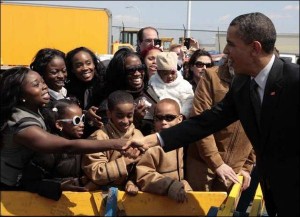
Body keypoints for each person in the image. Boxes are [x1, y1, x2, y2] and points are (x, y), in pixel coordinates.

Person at [128, 12, 299, 216]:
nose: (226, 51)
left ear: (255, 48)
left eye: (231, 44)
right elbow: (206, 122)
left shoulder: (294, 82)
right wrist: (154, 140)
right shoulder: (243, 85)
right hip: (277, 195)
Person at [0, 67, 134, 199]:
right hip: (9, 189)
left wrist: (86, 115)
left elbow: (63, 112)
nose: (44, 86)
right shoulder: (22, 125)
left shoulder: (36, 108)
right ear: (21, 95)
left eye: (42, 81)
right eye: (36, 84)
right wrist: (115, 143)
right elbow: (67, 146)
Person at [185, 61, 255, 193]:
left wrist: (247, 166)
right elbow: (201, 122)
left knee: (225, 211)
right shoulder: (212, 76)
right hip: (202, 164)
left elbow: (260, 128)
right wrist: (217, 163)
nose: (227, 51)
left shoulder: (258, 83)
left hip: (234, 170)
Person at [20, 98, 89, 200]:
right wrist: (59, 187)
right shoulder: (49, 150)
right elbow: (30, 182)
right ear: (59, 124)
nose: (82, 124)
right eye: (76, 121)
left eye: (82, 118)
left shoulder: (80, 142)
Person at [82, 90, 143, 194]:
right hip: (100, 194)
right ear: (109, 113)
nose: (125, 121)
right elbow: (96, 173)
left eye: (129, 115)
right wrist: (125, 161)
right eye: (119, 116)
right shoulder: (98, 137)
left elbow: (144, 167)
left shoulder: (138, 135)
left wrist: (131, 181)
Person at [136, 98, 192, 203]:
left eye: (169, 118)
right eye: (159, 118)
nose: (164, 122)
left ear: (180, 119)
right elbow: (144, 175)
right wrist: (170, 186)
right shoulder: (151, 147)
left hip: (177, 197)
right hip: (156, 201)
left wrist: (183, 184)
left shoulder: (182, 142)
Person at [102, 48, 159, 136]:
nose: (137, 73)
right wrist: (134, 119)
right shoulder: (110, 102)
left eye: (140, 68)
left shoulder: (148, 90)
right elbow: (111, 138)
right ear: (120, 73)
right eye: (131, 70)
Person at [65, 46, 107, 136]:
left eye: (88, 63)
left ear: (94, 64)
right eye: (79, 65)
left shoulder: (106, 84)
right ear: (72, 69)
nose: (85, 68)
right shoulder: (67, 89)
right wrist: (85, 114)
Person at [149, 52, 194, 119]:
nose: (169, 76)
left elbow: (188, 103)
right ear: (158, 72)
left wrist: (182, 116)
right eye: (165, 73)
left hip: (177, 120)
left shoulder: (184, 85)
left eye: (172, 73)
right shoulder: (153, 82)